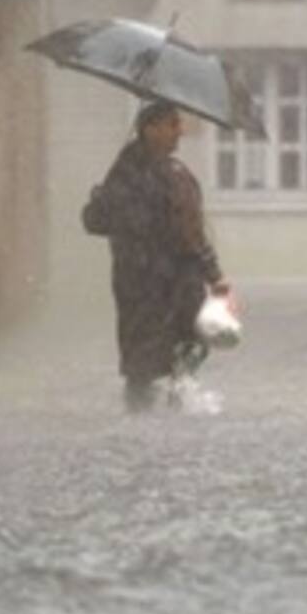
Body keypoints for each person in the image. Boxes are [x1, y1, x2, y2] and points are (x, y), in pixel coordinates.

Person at [84, 100, 231, 412]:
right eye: (172, 125)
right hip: (158, 279)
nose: (180, 132)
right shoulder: (141, 174)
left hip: (144, 279)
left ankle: (158, 405)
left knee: (152, 351)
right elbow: (188, 231)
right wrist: (214, 275)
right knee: (172, 346)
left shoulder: (142, 170)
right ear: (150, 129)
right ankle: (165, 406)